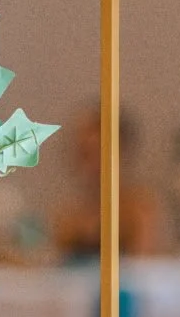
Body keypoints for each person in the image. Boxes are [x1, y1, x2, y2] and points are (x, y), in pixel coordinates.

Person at [53, 106, 168, 259]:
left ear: (121, 153)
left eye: (98, 153)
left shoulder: (139, 209)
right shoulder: (69, 216)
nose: (90, 165)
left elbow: (141, 262)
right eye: (83, 154)